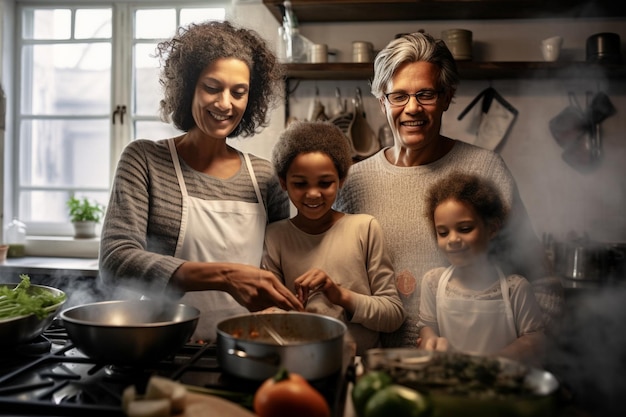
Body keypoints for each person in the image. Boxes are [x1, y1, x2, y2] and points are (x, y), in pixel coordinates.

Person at [334, 31, 563, 348]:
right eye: (398, 96)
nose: (412, 108)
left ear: (446, 97)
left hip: (464, 369)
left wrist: (506, 359)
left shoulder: (484, 170)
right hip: (377, 367)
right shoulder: (354, 181)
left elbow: (543, 283)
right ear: (382, 101)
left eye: (425, 94)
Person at [99, 20, 303, 343]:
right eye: (212, 87)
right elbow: (115, 260)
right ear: (188, 87)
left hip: (245, 347)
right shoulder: (145, 160)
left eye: (239, 92)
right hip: (164, 345)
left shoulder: (264, 177)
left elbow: (278, 267)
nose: (226, 104)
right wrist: (224, 275)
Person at [263, 121, 406, 355]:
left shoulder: (364, 228)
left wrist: (340, 295)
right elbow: (272, 316)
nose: (313, 193)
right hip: (298, 364)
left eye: (325, 182)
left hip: (361, 368)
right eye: (300, 183)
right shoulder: (275, 236)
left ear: (341, 180)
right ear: (283, 183)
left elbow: (393, 315)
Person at [418, 172, 545, 364]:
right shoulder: (433, 282)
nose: (452, 239)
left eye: (465, 229)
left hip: (499, 386)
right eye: (443, 232)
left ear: (492, 229)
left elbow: (535, 340)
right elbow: (427, 328)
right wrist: (429, 341)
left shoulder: (515, 289)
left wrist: (490, 363)